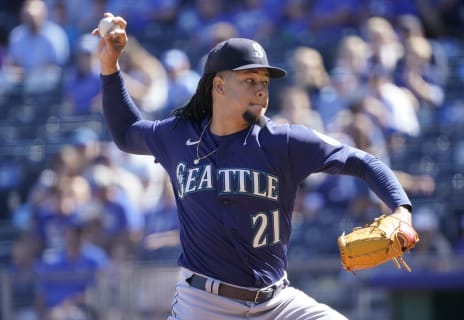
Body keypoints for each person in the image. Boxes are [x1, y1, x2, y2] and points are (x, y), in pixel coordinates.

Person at [92, 13, 417, 320]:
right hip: (204, 304)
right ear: (218, 86)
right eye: (249, 80)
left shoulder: (283, 140)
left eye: (264, 80)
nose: (261, 89)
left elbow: (362, 160)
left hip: (276, 302)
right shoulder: (178, 136)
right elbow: (125, 133)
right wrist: (110, 65)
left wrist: (400, 209)